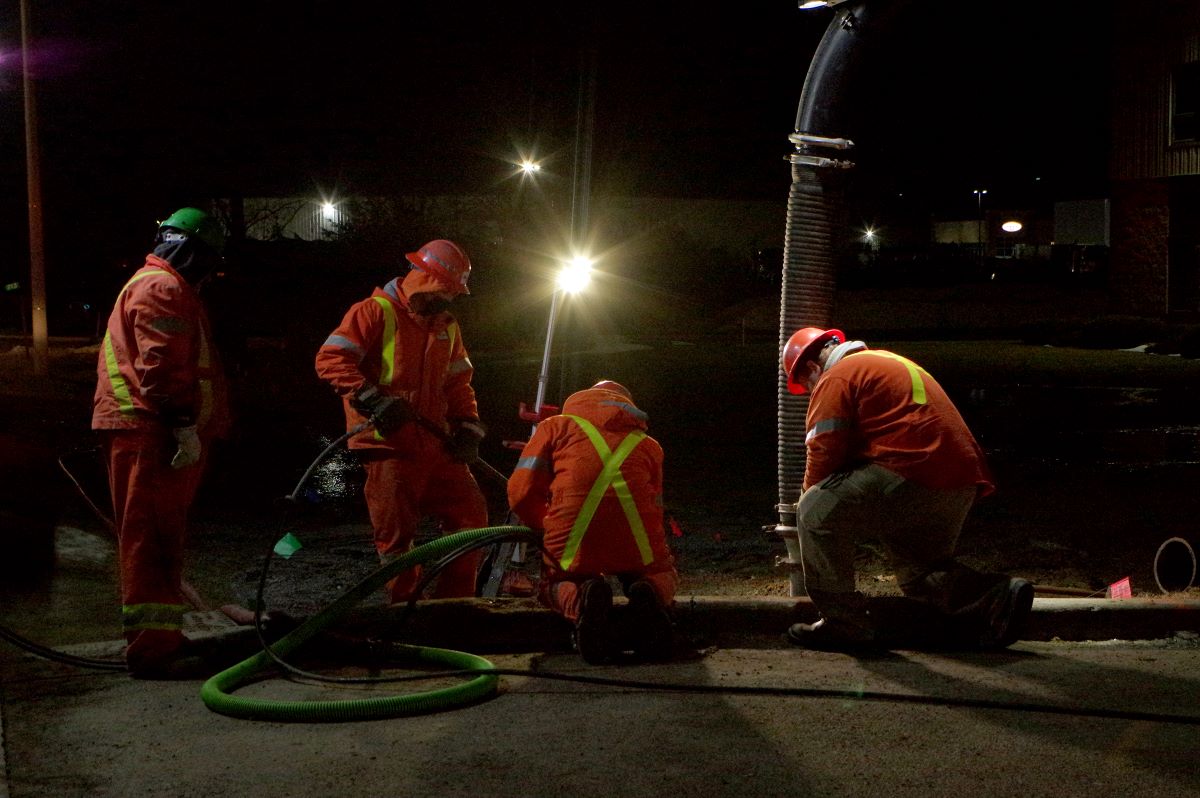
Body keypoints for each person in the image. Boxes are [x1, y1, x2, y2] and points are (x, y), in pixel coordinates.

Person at [780, 327, 1033, 651]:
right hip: (960, 480)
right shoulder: (886, 361)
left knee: (814, 509)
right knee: (920, 572)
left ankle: (844, 624)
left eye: (807, 384)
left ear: (812, 368)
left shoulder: (837, 376)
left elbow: (823, 450)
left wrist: (808, 506)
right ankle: (996, 596)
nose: (811, 389)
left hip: (911, 470)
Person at [92, 207, 231, 678]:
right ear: (193, 250)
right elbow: (162, 366)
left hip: (150, 432)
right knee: (150, 542)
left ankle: (161, 637)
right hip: (152, 434)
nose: (211, 270)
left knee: (158, 539)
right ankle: (153, 650)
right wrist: (182, 425)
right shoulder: (164, 288)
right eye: (210, 258)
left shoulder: (159, 285)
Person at [315, 239, 488, 603]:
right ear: (425, 278)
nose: (450, 300)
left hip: (437, 444)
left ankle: (455, 605)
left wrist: (467, 427)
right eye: (446, 290)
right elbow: (331, 360)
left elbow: (458, 383)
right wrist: (372, 398)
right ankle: (407, 613)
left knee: (471, 517)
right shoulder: (374, 312)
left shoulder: (446, 326)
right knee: (397, 540)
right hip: (387, 444)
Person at [507, 380, 678, 664]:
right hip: (637, 537)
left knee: (555, 582)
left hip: (573, 537)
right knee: (659, 572)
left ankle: (584, 600)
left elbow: (520, 493)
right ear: (626, 405)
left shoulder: (555, 427)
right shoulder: (649, 446)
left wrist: (543, 525)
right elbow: (655, 502)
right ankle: (649, 594)